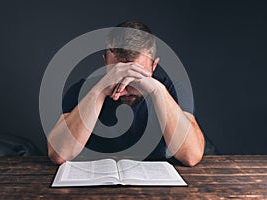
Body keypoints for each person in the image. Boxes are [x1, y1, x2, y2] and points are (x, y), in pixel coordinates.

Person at [47, 21, 205, 166]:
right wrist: (99, 91)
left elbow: (191, 156)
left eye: (137, 75)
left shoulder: (172, 90)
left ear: (154, 66)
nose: (125, 86)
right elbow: (59, 155)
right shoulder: (82, 90)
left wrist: (157, 91)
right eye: (118, 73)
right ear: (105, 62)